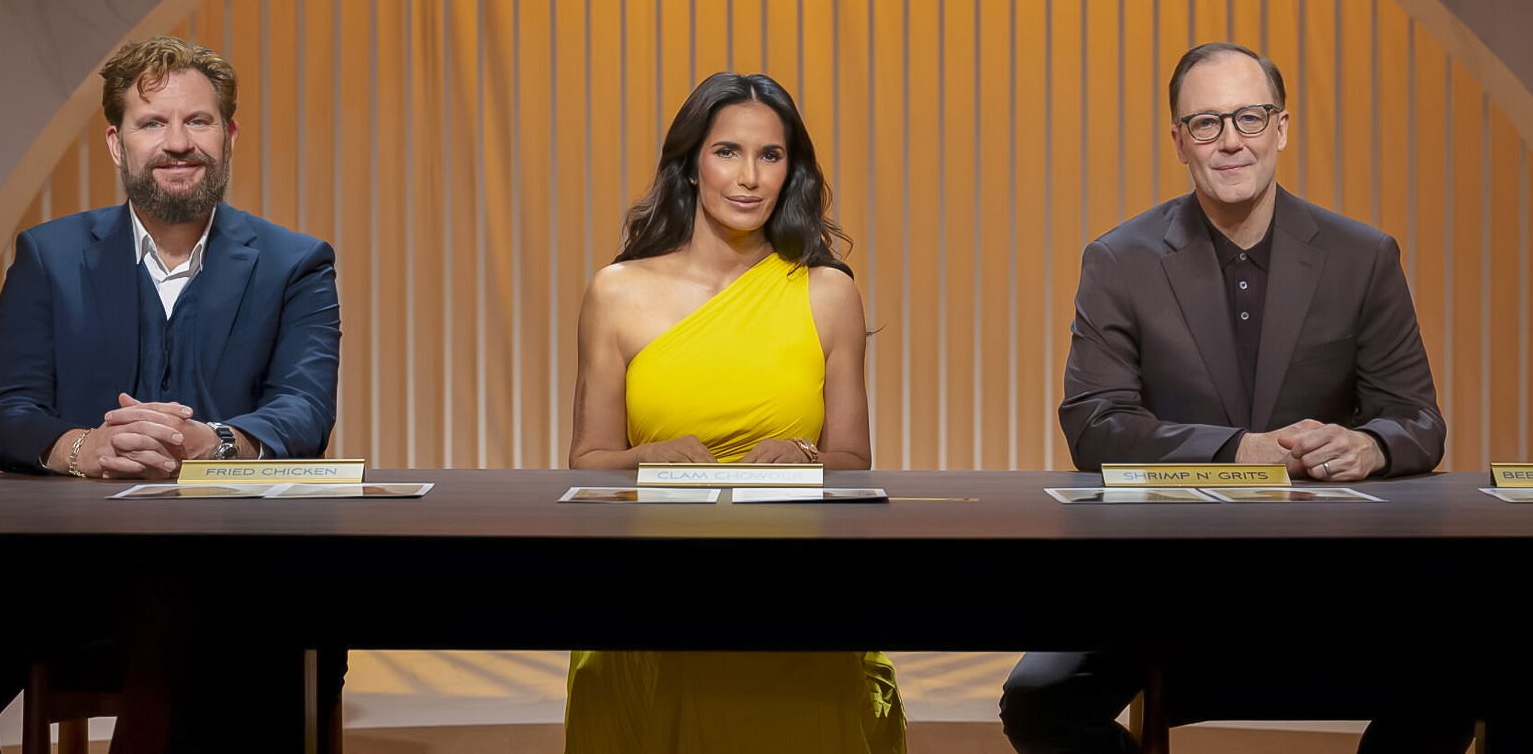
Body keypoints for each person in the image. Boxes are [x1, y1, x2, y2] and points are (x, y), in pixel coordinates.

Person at [1000, 42, 1462, 753]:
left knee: (1471, 678)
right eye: (1206, 123)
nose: (1231, 141)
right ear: (1179, 141)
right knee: (1039, 703)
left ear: (1281, 127)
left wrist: (1369, 445)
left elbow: (1418, 419)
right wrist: (1241, 451)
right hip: (1162, 578)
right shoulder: (1119, 260)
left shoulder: (1363, 256)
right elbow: (1096, 425)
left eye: (1250, 117)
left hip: (1334, 578)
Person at [0, 36, 340, 752]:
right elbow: (5, 412)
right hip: (67, 567)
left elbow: (303, 410)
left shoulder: (297, 263)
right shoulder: (47, 255)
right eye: (153, 123)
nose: (177, 143)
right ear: (116, 143)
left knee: (249, 640)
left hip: (238, 566)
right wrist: (83, 448)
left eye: (198, 121)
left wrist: (212, 444)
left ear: (230, 136)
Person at [565, 73, 904, 753]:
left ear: (790, 171)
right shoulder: (617, 291)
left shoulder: (828, 291)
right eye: (727, 152)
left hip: (793, 571)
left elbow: (853, 462)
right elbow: (588, 462)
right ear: (692, 164)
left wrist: (804, 455)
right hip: (652, 572)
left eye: (769, 155)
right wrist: (646, 456)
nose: (749, 177)